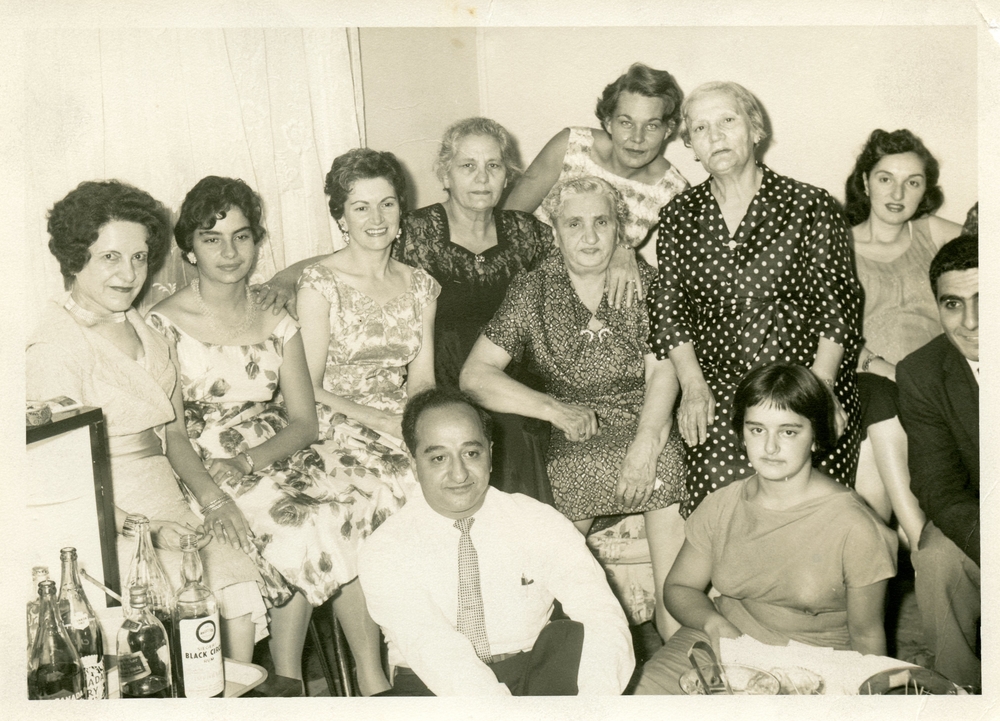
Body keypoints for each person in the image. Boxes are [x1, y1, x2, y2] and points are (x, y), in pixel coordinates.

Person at [147, 176, 404, 695]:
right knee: (303, 523)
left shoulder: (275, 316)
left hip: (273, 450)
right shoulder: (164, 323)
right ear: (189, 250)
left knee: (364, 504)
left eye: (242, 236)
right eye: (211, 238)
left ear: (256, 241)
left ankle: (371, 675)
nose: (229, 251)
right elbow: (172, 436)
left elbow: (305, 422)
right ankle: (287, 679)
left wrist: (251, 462)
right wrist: (216, 499)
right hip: (202, 466)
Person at [26, 180, 269, 664]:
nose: (129, 273)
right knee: (189, 602)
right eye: (111, 257)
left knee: (235, 571)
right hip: (106, 522)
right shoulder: (54, 346)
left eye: (139, 257)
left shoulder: (142, 326)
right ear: (76, 258)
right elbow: (61, 483)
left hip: (167, 502)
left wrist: (213, 502)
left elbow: (173, 432)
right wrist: (145, 530)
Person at [462, 175, 687, 639]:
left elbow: (663, 369)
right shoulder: (533, 290)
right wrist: (553, 409)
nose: (588, 236)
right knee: (562, 489)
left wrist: (646, 442)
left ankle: (674, 658)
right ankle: (556, 638)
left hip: (644, 421)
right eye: (574, 223)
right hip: (571, 431)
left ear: (618, 229)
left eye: (601, 222)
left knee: (666, 465)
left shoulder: (646, 282)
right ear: (555, 231)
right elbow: (475, 375)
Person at [648, 81, 863, 518]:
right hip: (720, 384)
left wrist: (821, 387)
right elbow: (668, 311)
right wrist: (691, 386)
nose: (716, 136)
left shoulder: (810, 204)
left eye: (728, 120)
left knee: (807, 494)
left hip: (803, 376)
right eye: (702, 128)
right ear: (691, 145)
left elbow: (838, 304)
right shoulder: (677, 217)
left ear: (755, 129)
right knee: (717, 482)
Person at [635, 363, 898, 695]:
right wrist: (713, 623)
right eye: (757, 429)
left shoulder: (855, 526)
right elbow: (680, 587)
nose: (770, 447)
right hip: (724, 644)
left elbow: (867, 637)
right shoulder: (723, 504)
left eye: (788, 431)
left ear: (815, 436)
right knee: (641, 699)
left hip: (813, 664)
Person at [358, 387, 635, 696]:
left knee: (571, 636)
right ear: (413, 463)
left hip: (533, 677)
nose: (459, 473)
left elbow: (601, 614)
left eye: (471, 453)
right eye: (438, 458)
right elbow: (433, 649)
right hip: (433, 686)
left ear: (490, 453)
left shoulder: (538, 521)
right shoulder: (386, 549)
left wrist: (593, 705)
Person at [390, 117, 557, 502]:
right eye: (468, 166)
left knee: (527, 427)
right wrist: (285, 279)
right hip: (444, 383)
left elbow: (586, 255)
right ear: (445, 174)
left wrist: (622, 257)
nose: (481, 178)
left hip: (513, 380)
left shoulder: (527, 233)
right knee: (498, 433)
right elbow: (352, 259)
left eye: (493, 166)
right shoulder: (416, 232)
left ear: (506, 176)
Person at [843, 128, 963, 548]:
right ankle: (909, 541)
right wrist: (889, 370)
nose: (898, 192)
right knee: (879, 400)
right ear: (864, 182)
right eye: (885, 178)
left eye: (912, 182)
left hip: (940, 380)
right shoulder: (837, 245)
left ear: (925, 189)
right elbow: (826, 326)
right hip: (872, 379)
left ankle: (895, 545)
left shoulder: (934, 233)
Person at [505, 62, 688, 288]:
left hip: (590, 293)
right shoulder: (571, 147)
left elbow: (680, 271)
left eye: (651, 126)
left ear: (668, 129)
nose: (637, 138)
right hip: (525, 279)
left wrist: (625, 250)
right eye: (626, 122)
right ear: (609, 122)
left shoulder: (672, 191)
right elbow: (507, 223)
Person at [896, 234, 979, 690]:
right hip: (986, 527)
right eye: (953, 304)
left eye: (987, 299)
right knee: (936, 556)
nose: (971, 321)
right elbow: (937, 485)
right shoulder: (922, 372)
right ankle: (960, 693)